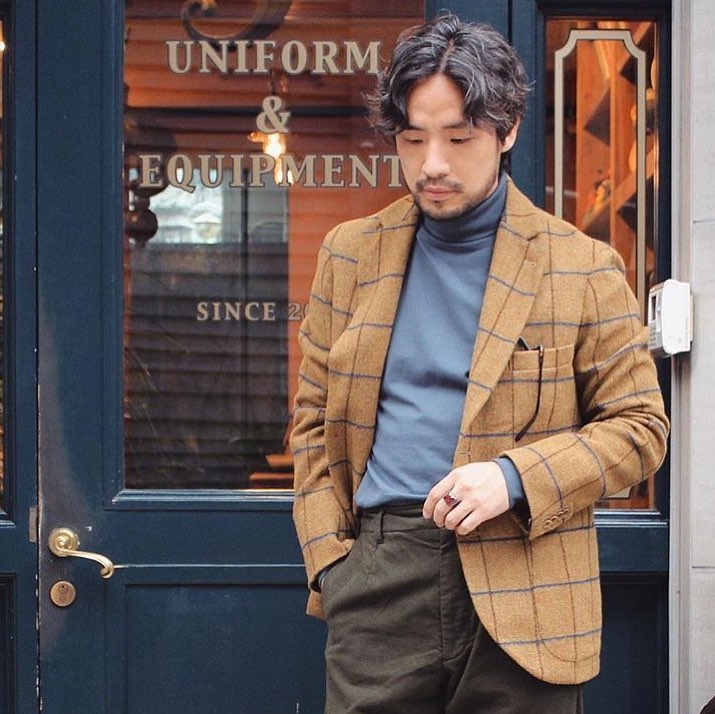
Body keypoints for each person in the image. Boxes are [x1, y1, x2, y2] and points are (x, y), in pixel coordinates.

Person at [291, 13, 669, 714]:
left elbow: (640, 430)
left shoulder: (581, 265)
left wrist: (514, 477)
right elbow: (313, 422)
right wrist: (332, 565)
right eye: (412, 139)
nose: (432, 163)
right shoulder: (350, 254)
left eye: (459, 138)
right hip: (381, 578)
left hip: (530, 576)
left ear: (508, 130)